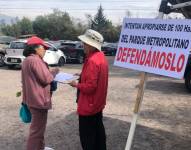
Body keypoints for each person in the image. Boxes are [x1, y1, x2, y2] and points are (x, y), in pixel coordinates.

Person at [69, 29, 109, 150]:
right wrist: (81, 76)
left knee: (88, 138)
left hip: (89, 106)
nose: (83, 45)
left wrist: (76, 84)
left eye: (85, 43)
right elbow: (95, 78)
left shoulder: (92, 61)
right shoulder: (100, 57)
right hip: (97, 104)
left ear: (92, 45)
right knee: (98, 135)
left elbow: (90, 87)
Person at [21, 36, 59, 150]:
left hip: (32, 100)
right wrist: (55, 72)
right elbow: (46, 79)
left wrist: (49, 71)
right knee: (36, 132)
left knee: (39, 129)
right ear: (36, 48)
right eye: (43, 47)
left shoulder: (27, 60)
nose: (45, 50)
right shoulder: (35, 60)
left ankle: (40, 147)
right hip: (39, 101)